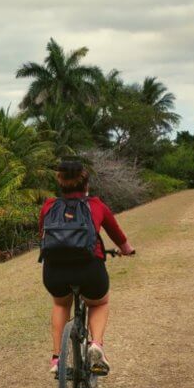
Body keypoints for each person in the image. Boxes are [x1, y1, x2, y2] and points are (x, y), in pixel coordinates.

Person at [39, 160, 135, 375]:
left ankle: (57, 359)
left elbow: (43, 236)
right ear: (86, 184)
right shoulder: (96, 205)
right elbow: (117, 235)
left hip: (55, 272)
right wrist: (127, 249)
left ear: (61, 184)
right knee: (99, 303)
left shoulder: (49, 206)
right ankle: (96, 345)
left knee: (61, 304)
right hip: (90, 270)